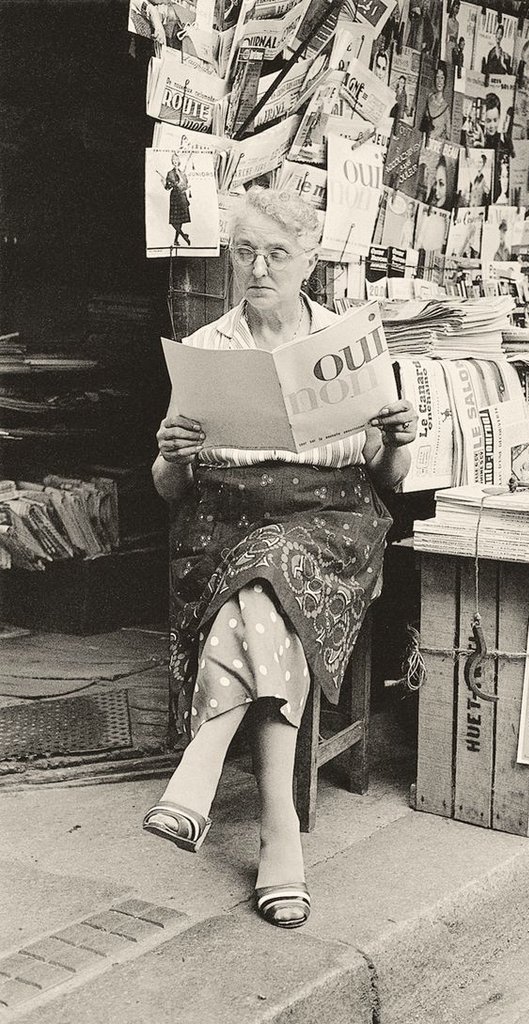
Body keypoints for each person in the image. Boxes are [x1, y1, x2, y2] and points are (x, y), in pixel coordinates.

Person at [142, 188, 418, 929]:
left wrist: (396, 437)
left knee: (269, 571)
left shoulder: (348, 345)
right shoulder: (206, 349)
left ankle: (201, 768)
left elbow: (387, 480)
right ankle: (279, 831)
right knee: (259, 584)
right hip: (222, 521)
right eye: (244, 252)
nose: (258, 268)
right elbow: (170, 489)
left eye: (277, 254)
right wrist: (171, 455)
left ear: (310, 262)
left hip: (329, 521)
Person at [164, 152, 191, 247]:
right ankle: (184, 236)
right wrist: (167, 184)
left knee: (180, 221)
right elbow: (167, 188)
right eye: (174, 160)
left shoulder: (183, 173)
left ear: (179, 161)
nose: (175, 162)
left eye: (177, 160)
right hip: (175, 197)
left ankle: (176, 241)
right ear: (172, 162)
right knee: (174, 221)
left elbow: (186, 185)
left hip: (182, 197)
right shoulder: (170, 173)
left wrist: (186, 187)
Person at [420, 63, 452, 140]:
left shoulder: (445, 107)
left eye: (442, 78)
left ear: (445, 81)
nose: (439, 81)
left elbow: (448, 133)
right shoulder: (429, 98)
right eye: (437, 77)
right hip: (423, 139)